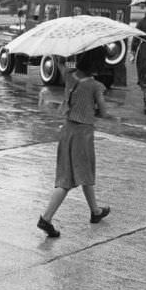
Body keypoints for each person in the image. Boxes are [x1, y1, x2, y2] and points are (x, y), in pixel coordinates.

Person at [37, 46, 112, 238]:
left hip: (67, 131)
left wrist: (67, 54)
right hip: (83, 134)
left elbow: (63, 63)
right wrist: (93, 107)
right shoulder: (95, 86)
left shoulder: (70, 76)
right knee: (67, 180)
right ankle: (46, 218)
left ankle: (95, 211)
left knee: (83, 173)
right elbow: (104, 112)